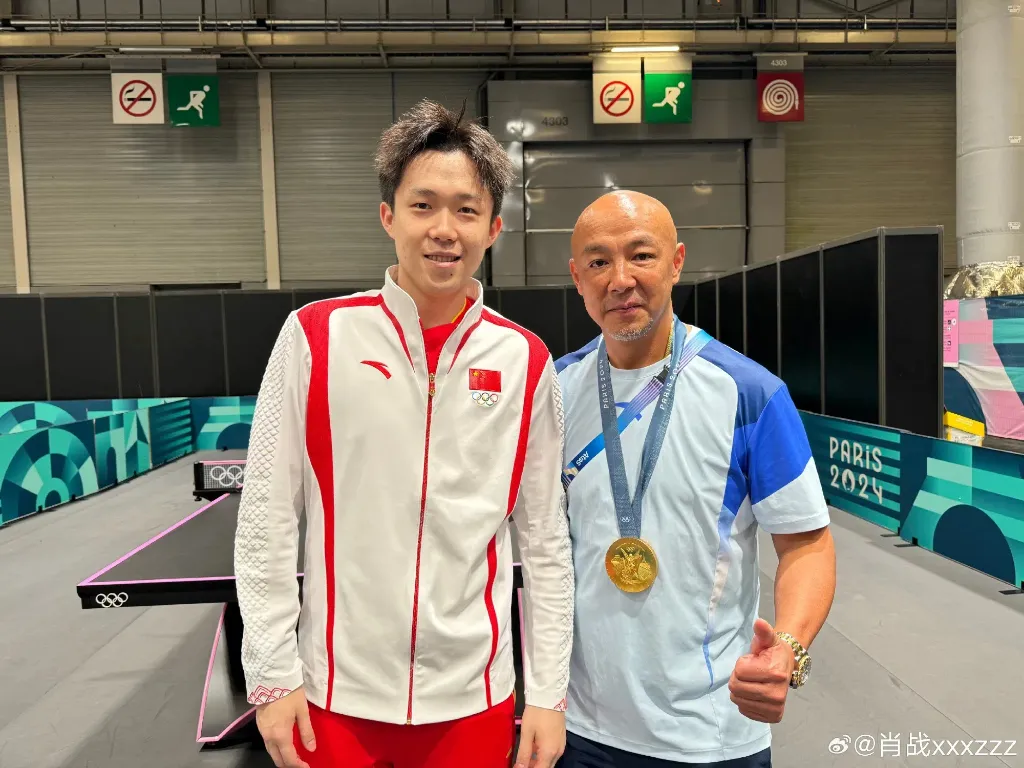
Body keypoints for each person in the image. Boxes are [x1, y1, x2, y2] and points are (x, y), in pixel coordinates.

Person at [233, 99, 574, 768]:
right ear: (389, 217)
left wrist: (548, 693)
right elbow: (266, 521)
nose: (444, 229)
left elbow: (546, 542)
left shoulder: (525, 360)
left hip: (473, 697)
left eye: (466, 210)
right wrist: (272, 674)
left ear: (494, 228)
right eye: (423, 206)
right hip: (337, 695)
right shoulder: (315, 338)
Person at [554, 190, 837, 767]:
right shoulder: (553, 393)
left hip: (711, 737)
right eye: (599, 262)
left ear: (677, 261)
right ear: (577, 277)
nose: (621, 280)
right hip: (578, 727)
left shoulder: (749, 393)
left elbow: (807, 543)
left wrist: (787, 649)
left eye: (642, 255)